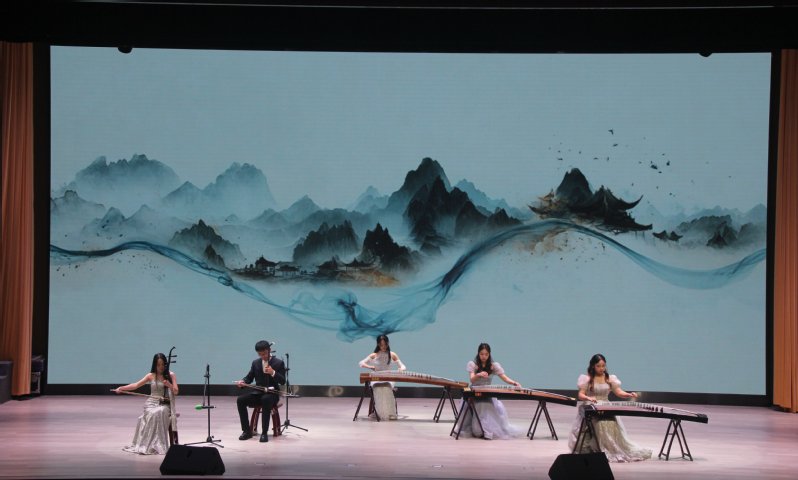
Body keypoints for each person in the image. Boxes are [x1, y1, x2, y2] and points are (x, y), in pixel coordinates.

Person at [568, 353, 652, 462]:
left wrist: (628, 394)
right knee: (600, 424)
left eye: (603, 366)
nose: (601, 368)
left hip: (605, 405)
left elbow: (618, 392)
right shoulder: (587, 379)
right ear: (593, 366)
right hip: (592, 406)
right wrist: (588, 398)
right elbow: (581, 394)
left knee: (611, 423)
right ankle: (599, 448)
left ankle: (610, 448)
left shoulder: (609, 378)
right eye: (598, 366)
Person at [115, 353, 179, 455]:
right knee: (153, 413)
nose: (161, 367)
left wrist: (169, 385)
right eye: (158, 365)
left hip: (165, 404)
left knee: (160, 411)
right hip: (151, 403)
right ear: (155, 365)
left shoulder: (171, 375)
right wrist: (121, 388)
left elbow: (176, 392)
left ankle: (157, 445)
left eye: (163, 364)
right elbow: (136, 385)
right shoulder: (151, 376)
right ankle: (148, 445)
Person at [460, 342, 523, 439]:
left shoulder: (493, 366)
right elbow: (472, 379)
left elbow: (504, 377)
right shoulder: (473, 364)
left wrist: (514, 383)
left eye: (486, 354)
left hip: (487, 393)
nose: (484, 356)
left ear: (489, 354)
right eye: (481, 354)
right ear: (478, 353)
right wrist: (478, 375)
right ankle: (481, 430)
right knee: (481, 406)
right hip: (475, 393)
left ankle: (487, 431)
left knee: (492, 407)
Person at [236, 340, 286, 442]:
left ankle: (264, 433)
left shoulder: (278, 363)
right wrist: (243, 382)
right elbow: (249, 378)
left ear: (269, 350)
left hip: (272, 395)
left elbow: (282, 381)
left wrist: (273, 372)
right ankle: (246, 431)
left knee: (266, 399)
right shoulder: (256, 363)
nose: (263, 356)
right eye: (260, 354)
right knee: (240, 400)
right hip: (258, 393)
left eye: (264, 354)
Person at [358, 334, 406, 420]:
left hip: (388, 378)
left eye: (385, 344)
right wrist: (371, 367)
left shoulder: (392, 354)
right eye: (381, 345)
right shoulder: (374, 355)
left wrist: (401, 369)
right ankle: (379, 413)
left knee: (386, 387)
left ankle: (390, 413)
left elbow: (403, 366)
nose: (383, 347)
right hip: (376, 378)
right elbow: (361, 363)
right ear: (378, 344)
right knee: (378, 388)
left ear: (388, 343)